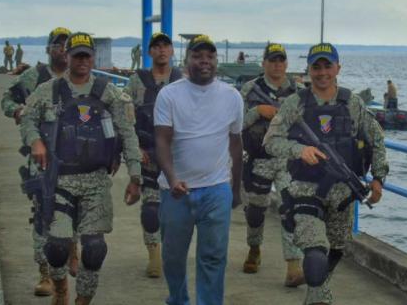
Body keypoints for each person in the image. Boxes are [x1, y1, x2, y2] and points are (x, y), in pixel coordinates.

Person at [20, 32, 142, 305]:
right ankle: (61, 287)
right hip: (60, 180)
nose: (83, 61)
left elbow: (128, 134)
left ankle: (83, 300)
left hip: (96, 182)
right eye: (77, 56)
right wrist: (36, 140)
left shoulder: (109, 93)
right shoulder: (49, 90)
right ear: (68, 57)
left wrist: (135, 176)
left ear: (92, 57)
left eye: (87, 55)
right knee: (57, 246)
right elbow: (27, 119)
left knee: (95, 250)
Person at [263, 43, 388, 305]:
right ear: (308, 69)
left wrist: (378, 178)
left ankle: (315, 294)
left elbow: (376, 139)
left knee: (334, 252)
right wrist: (300, 149)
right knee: (316, 254)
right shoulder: (295, 104)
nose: (322, 73)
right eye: (316, 67)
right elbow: (271, 141)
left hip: (342, 194)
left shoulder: (352, 103)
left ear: (337, 68)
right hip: (305, 189)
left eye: (327, 66)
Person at [154, 34, 243, 305]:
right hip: (176, 192)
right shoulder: (169, 94)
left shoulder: (232, 96)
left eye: (210, 56)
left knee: (213, 257)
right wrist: (172, 179)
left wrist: (235, 189)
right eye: (197, 56)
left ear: (217, 61)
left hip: (216, 190)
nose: (204, 61)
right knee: (172, 256)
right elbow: (161, 140)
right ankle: (178, 299)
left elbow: (236, 144)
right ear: (186, 59)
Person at [1, 27, 77, 297]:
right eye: (57, 45)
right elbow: (7, 99)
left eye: (67, 45)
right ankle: (44, 272)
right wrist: (18, 110)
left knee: (74, 208)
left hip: (75, 157)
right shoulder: (34, 77)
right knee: (44, 213)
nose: (62, 49)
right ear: (49, 49)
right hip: (42, 157)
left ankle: (71, 250)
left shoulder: (78, 78)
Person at [239, 42, 305, 286]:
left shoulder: (297, 91)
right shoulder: (249, 89)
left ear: (286, 64)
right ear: (264, 63)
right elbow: (236, 124)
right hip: (259, 160)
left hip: (287, 161)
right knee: (256, 211)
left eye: (281, 60)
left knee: (291, 209)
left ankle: (293, 266)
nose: (277, 65)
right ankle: (254, 248)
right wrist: (257, 111)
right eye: (272, 60)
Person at [123, 32, 182, 278]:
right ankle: (154, 253)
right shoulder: (137, 81)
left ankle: (171, 250)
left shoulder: (182, 80)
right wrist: (134, 148)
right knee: (150, 210)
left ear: (171, 51)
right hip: (148, 155)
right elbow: (125, 118)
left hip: (178, 157)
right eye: (156, 46)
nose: (161, 50)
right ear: (149, 52)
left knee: (176, 211)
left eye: (165, 46)